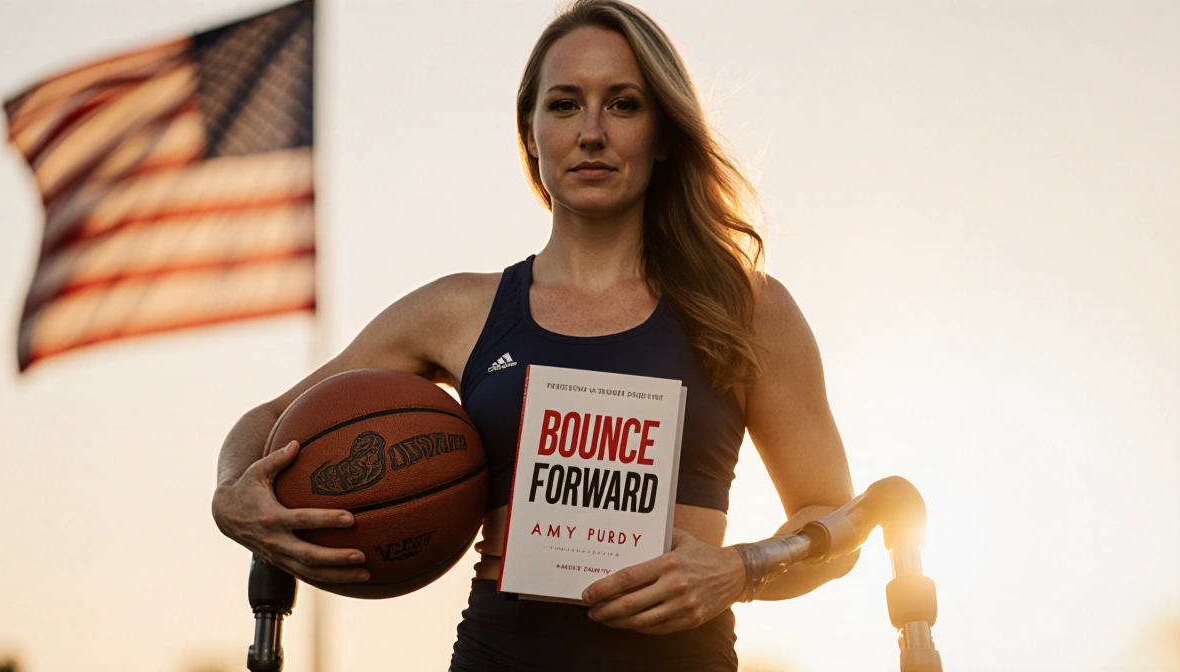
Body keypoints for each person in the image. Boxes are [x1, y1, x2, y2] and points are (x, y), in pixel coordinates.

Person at [211, 1, 857, 669]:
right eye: (566, 104)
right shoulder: (459, 309)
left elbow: (839, 514)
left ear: (664, 133)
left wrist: (742, 569)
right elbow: (266, 423)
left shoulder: (748, 308)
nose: (593, 132)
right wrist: (234, 495)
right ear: (531, 131)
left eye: (625, 104)